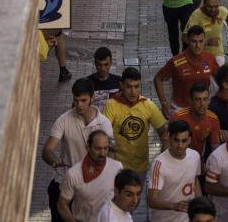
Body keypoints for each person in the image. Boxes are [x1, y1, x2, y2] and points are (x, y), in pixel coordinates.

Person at [42, 78, 114, 222]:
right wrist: (54, 161)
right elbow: (47, 151)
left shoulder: (104, 123)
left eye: (83, 100)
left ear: (92, 98)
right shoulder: (64, 119)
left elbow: (109, 154)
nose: (79, 105)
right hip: (63, 183)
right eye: (76, 100)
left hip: (91, 188)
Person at [103, 67, 166, 179]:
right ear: (121, 85)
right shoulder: (111, 105)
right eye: (129, 87)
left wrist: (163, 157)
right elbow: (103, 134)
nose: (133, 91)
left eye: (136, 86)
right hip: (117, 167)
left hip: (140, 167)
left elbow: (163, 132)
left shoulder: (148, 105)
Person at [154, 25, 218, 119]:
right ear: (187, 41)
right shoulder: (176, 61)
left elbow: (222, 79)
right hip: (180, 109)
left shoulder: (210, 58)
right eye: (194, 41)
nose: (198, 46)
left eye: (201, 41)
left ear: (205, 40)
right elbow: (158, 78)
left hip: (202, 109)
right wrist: (163, 103)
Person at [57, 130, 122, 222]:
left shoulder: (117, 167)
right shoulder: (73, 174)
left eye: (105, 148)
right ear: (88, 147)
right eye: (98, 148)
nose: (102, 153)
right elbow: (62, 204)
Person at [148, 120, 202, 221]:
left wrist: (200, 203)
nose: (180, 145)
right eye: (176, 140)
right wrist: (174, 206)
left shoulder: (195, 156)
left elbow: (195, 181)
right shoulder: (159, 164)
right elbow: (151, 200)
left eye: (184, 141)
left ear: (189, 140)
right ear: (169, 138)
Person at [184, 0, 228, 66]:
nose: (213, 10)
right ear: (204, 4)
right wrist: (206, 42)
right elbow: (185, 38)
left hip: (218, 54)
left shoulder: (222, 11)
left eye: (216, 6)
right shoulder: (196, 16)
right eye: (210, 6)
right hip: (199, 55)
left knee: (219, 77)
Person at [170, 82, 221, 160]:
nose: (202, 104)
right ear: (190, 100)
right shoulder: (177, 117)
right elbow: (167, 144)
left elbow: (215, 147)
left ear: (209, 100)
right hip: (177, 159)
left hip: (198, 161)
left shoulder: (213, 119)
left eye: (205, 99)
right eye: (198, 99)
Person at [86, 46, 121, 112]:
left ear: (111, 63)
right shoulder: (87, 83)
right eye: (99, 65)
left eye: (106, 64)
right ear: (95, 64)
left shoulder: (119, 81)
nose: (103, 69)